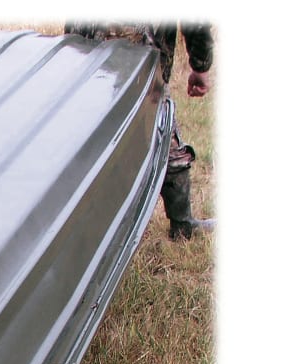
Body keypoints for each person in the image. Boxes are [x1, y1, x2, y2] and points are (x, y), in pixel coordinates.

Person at [65, 22, 215, 240]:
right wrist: (201, 66)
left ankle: (84, 227)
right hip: (134, 52)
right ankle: (182, 223)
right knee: (160, 129)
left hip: (89, 53)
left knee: (92, 134)